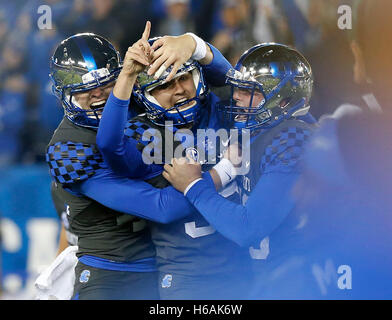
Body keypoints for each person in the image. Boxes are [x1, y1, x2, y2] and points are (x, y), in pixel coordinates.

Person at [96, 22, 253, 299]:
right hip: (189, 276)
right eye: (165, 84)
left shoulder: (217, 109)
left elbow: (240, 83)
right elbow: (109, 144)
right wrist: (128, 74)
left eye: (184, 78)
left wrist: (194, 44)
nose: (180, 89)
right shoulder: (144, 135)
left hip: (245, 267)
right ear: (145, 96)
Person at [45, 30, 206, 300]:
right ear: (64, 93)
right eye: (84, 88)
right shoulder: (68, 149)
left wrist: (192, 43)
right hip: (111, 273)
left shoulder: (140, 101)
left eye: (106, 83)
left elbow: (218, 84)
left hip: (164, 267)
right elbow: (161, 208)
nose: (98, 93)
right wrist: (222, 174)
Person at [163, 43, 318, 298]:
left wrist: (194, 187)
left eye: (249, 91)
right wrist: (196, 46)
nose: (236, 96)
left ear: (284, 99)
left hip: (297, 283)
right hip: (266, 280)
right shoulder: (260, 129)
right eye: (239, 88)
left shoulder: (294, 138)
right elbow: (224, 74)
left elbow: (247, 228)